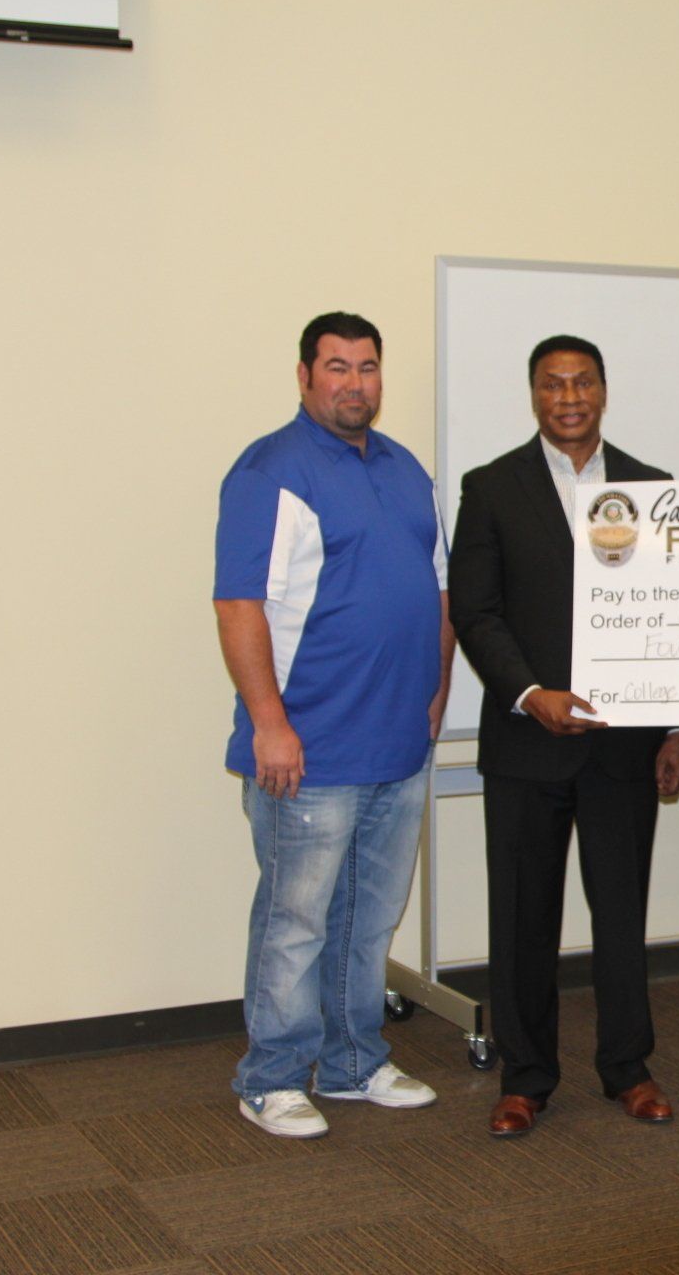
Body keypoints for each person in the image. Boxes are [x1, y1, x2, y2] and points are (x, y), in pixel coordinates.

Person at [450, 334, 679, 1138]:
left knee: (621, 917)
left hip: (624, 747)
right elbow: (475, 610)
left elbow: (675, 618)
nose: (568, 398)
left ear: (602, 391)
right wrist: (530, 694)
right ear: (534, 395)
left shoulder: (652, 489)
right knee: (524, 919)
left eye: (582, 382)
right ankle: (525, 1079)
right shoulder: (491, 487)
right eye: (552, 384)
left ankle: (628, 1068)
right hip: (527, 743)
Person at [214, 312, 451, 1139]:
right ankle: (272, 1077)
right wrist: (269, 725)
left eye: (368, 366)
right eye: (338, 367)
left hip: (398, 743)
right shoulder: (270, 472)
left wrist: (436, 691)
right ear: (305, 376)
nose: (355, 382)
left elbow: (439, 590)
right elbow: (239, 605)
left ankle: (353, 1062)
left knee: (368, 918)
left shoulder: (406, 469)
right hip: (307, 748)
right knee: (296, 923)